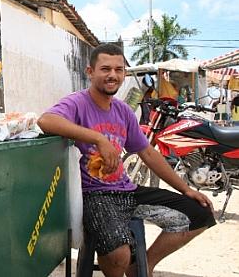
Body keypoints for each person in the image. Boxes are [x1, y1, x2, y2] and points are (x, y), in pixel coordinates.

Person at [38, 43, 216, 277]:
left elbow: (149, 153)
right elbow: (46, 120)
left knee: (200, 213)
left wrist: (186, 189)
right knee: (118, 253)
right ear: (90, 72)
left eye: (118, 69)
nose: (112, 75)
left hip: (127, 190)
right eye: (105, 69)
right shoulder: (77, 102)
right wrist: (98, 138)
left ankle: (143, 266)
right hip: (95, 193)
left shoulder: (122, 111)